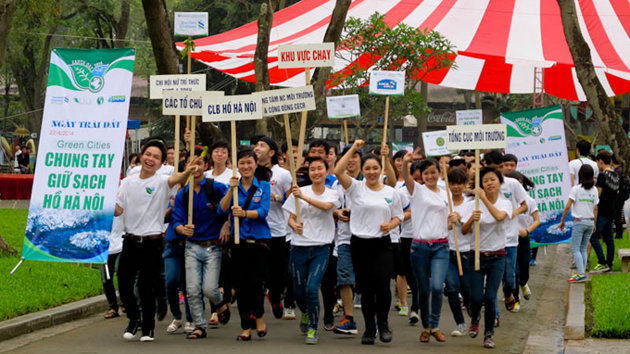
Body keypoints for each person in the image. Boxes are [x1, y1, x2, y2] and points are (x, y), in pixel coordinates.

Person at [115, 138, 199, 342]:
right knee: (124, 284)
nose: (150, 159)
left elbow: (175, 179)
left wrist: (188, 170)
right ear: (142, 155)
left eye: (156, 157)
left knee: (145, 286)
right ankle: (134, 318)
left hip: (152, 242)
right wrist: (103, 195)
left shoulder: (161, 181)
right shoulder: (127, 183)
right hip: (130, 240)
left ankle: (148, 329)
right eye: (148, 155)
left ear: (162, 163)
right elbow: (118, 211)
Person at [334, 140, 403, 345]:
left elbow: (398, 216)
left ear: (381, 169)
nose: (372, 172)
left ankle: (383, 324)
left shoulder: (391, 192)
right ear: (362, 170)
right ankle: (369, 329)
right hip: (359, 244)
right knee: (365, 289)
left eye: (375, 168)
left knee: (382, 285)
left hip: (382, 244)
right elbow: (338, 171)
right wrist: (354, 149)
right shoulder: (355, 188)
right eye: (368, 169)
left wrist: (390, 225)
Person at [172, 149, 232, 339]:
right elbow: (176, 222)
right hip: (192, 246)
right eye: (191, 163)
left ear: (206, 166)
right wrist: (182, 229)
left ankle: (221, 304)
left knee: (209, 288)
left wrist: (227, 224)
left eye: (198, 163)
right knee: (191, 289)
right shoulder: (183, 194)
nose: (195, 168)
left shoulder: (216, 187)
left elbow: (230, 207)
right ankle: (199, 325)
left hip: (213, 246)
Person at [283, 156, 341, 344]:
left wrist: (304, 197)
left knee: (311, 288)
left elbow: (326, 208)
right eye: (312, 169)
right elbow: (290, 218)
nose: (316, 172)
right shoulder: (297, 192)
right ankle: (306, 313)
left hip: (321, 247)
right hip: (299, 247)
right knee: (299, 292)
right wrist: (294, 226)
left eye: (319, 169)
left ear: (326, 171)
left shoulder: (332, 193)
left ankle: (312, 329)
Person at [219, 148, 272, 341]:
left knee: (256, 283)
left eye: (249, 162)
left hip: (258, 242)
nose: (246, 166)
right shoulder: (232, 186)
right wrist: (231, 191)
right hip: (238, 242)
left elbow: (263, 211)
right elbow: (221, 209)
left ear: (256, 164)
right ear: (236, 166)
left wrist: (244, 214)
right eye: (242, 163)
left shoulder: (263, 186)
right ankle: (245, 326)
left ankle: (258, 316)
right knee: (241, 286)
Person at [461, 167, 513, 349]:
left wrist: (483, 198)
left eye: (493, 179)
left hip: (497, 256)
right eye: (485, 181)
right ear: (480, 184)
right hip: (476, 255)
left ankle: (489, 334)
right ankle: (475, 317)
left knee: (490, 297)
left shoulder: (505, 203)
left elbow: (499, 217)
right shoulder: (472, 204)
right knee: (475, 297)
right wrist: (470, 220)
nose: (489, 183)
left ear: (499, 182)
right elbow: (464, 231)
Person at [401, 155, 450, 343]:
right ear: (422, 175)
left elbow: (449, 220)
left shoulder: (446, 193)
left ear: (439, 173)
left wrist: (453, 220)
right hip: (419, 247)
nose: (430, 176)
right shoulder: (418, 190)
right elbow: (406, 177)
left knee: (437, 287)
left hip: (440, 246)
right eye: (426, 173)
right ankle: (426, 327)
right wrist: (406, 162)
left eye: (433, 172)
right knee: (423, 289)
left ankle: (435, 325)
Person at [253, 136, 295, 320]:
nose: (257, 148)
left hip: (278, 229)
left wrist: (276, 198)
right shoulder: (248, 170)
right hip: (255, 228)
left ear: (271, 153)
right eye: (256, 145)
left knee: (279, 272)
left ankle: (276, 295)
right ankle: (255, 312)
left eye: (262, 145)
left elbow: (292, 198)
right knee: (258, 271)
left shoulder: (283, 174)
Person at [484, 150, 528, 315]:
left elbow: (524, 205)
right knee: (491, 282)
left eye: (499, 167)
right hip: (488, 240)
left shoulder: (512, 184)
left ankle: (509, 294)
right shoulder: (481, 185)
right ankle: (494, 315)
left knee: (509, 279)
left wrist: (513, 213)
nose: (497, 171)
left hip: (509, 239)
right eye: (493, 168)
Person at [331, 144, 362, 336]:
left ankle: (373, 318)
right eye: (347, 156)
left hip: (366, 238)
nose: (350, 160)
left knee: (367, 281)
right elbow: (330, 205)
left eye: (355, 156)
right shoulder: (336, 184)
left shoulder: (369, 180)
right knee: (344, 278)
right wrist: (336, 212)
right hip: (343, 238)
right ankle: (349, 318)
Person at [443, 167, 473, 337]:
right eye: (452, 184)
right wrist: (447, 224)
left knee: (467, 289)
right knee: (452, 288)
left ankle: (471, 307)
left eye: (459, 184)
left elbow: (470, 231)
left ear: (465, 184)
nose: (455, 187)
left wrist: (460, 221)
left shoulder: (470, 203)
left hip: (466, 251)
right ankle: (460, 323)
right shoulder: (445, 202)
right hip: (447, 251)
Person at [560, 164, 598, 282]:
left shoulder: (576, 189)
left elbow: (567, 206)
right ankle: (582, 272)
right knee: (582, 248)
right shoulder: (595, 190)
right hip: (590, 222)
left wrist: (562, 221)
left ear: (580, 175)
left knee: (575, 249)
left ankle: (581, 274)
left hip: (579, 222)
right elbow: (595, 208)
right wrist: (594, 223)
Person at [507, 171, 540, 304]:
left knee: (524, 271)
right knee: (513, 272)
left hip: (523, 239)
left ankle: (524, 283)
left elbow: (537, 220)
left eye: (519, 184)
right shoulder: (505, 201)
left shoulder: (529, 201)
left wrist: (527, 231)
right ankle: (515, 300)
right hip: (509, 240)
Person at [590, 151, 619, 272]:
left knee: (593, 237)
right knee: (609, 239)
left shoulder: (602, 175)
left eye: (597, 162)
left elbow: (598, 194)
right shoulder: (616, 175)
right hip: (612, 210)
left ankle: (602, 262)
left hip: (602, 211)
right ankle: (609, 263)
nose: (597, 165)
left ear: (601, 161)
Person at [102, 215, 124, 319]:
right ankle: (113, 307)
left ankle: (126, 301)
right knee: (106, 279)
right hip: (104, 247)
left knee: (122, 273)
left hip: (122, 243)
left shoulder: (122, 198)